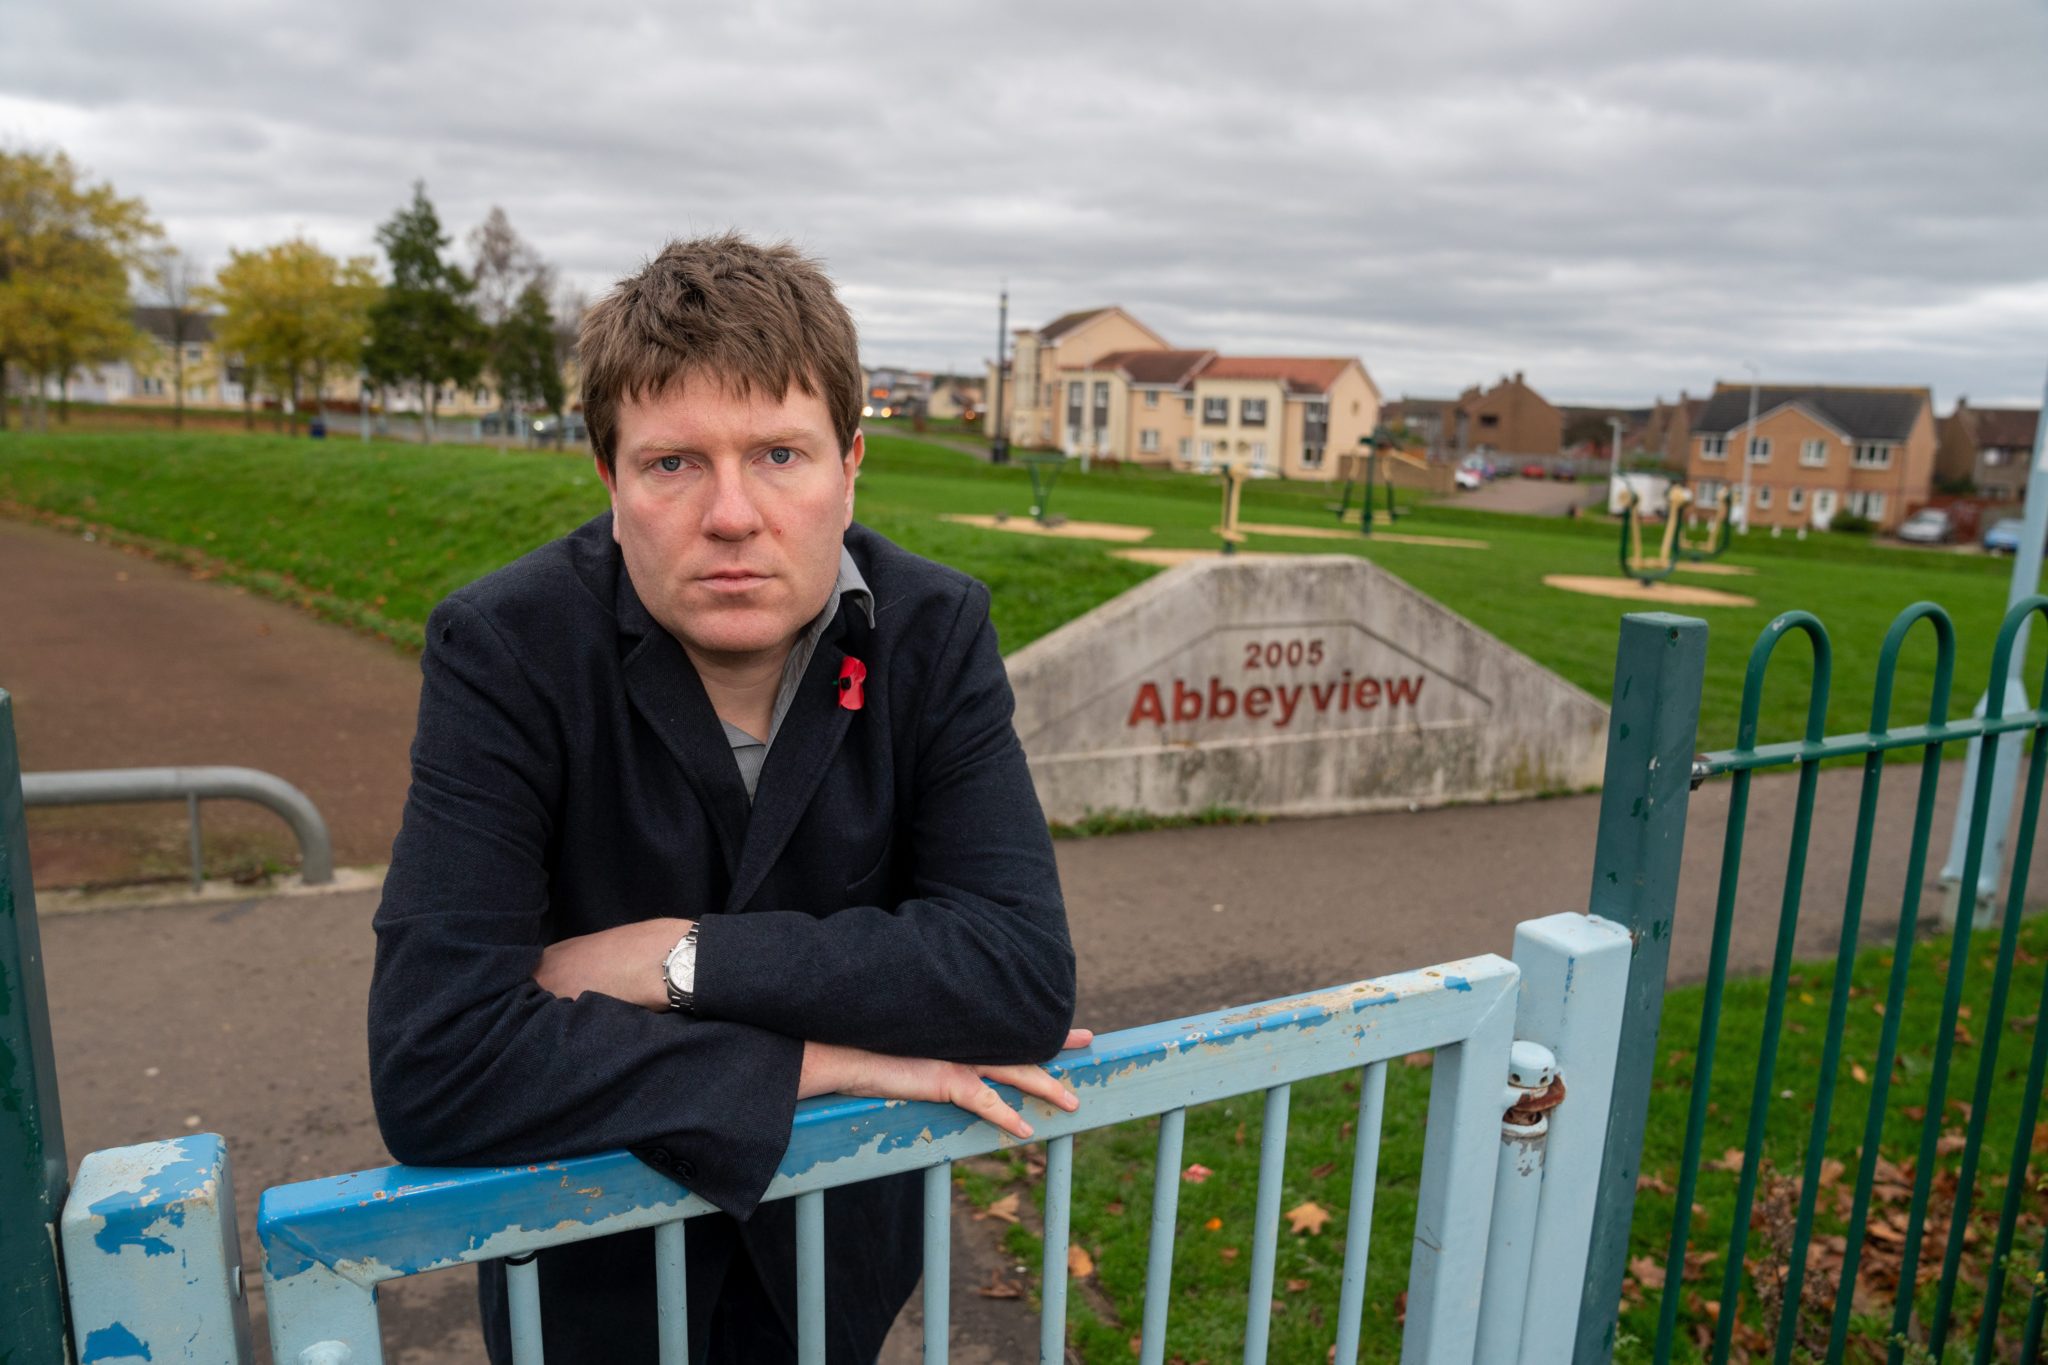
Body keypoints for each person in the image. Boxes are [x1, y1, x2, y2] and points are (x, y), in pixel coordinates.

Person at [367, 233, 1083, 1364]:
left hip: (835, 1274)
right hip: (590, 1285)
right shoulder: (505, 647)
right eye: (672, 464)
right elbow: (436, 1065)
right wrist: (828, 1059)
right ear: (607, 479)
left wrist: (675, 961)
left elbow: (1016, 976)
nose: (733, 515)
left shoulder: (933, 630)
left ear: (852, 464)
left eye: (780, 456)